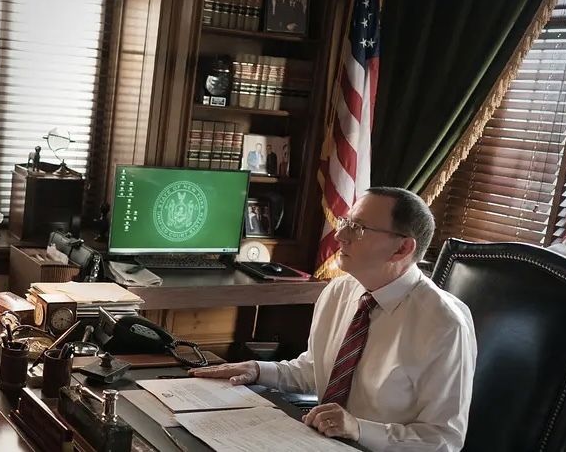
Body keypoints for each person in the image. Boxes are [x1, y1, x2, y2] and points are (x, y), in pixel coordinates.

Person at [191, 187, 477, 452]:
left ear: (402, 249)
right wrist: (256, 369)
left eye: (358, 228)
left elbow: (444, 440)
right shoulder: (339, 291)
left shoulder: (445, 325)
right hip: (317, 442)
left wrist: (358, 429)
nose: (340, 236)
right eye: (345, 222)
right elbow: (314, 370)